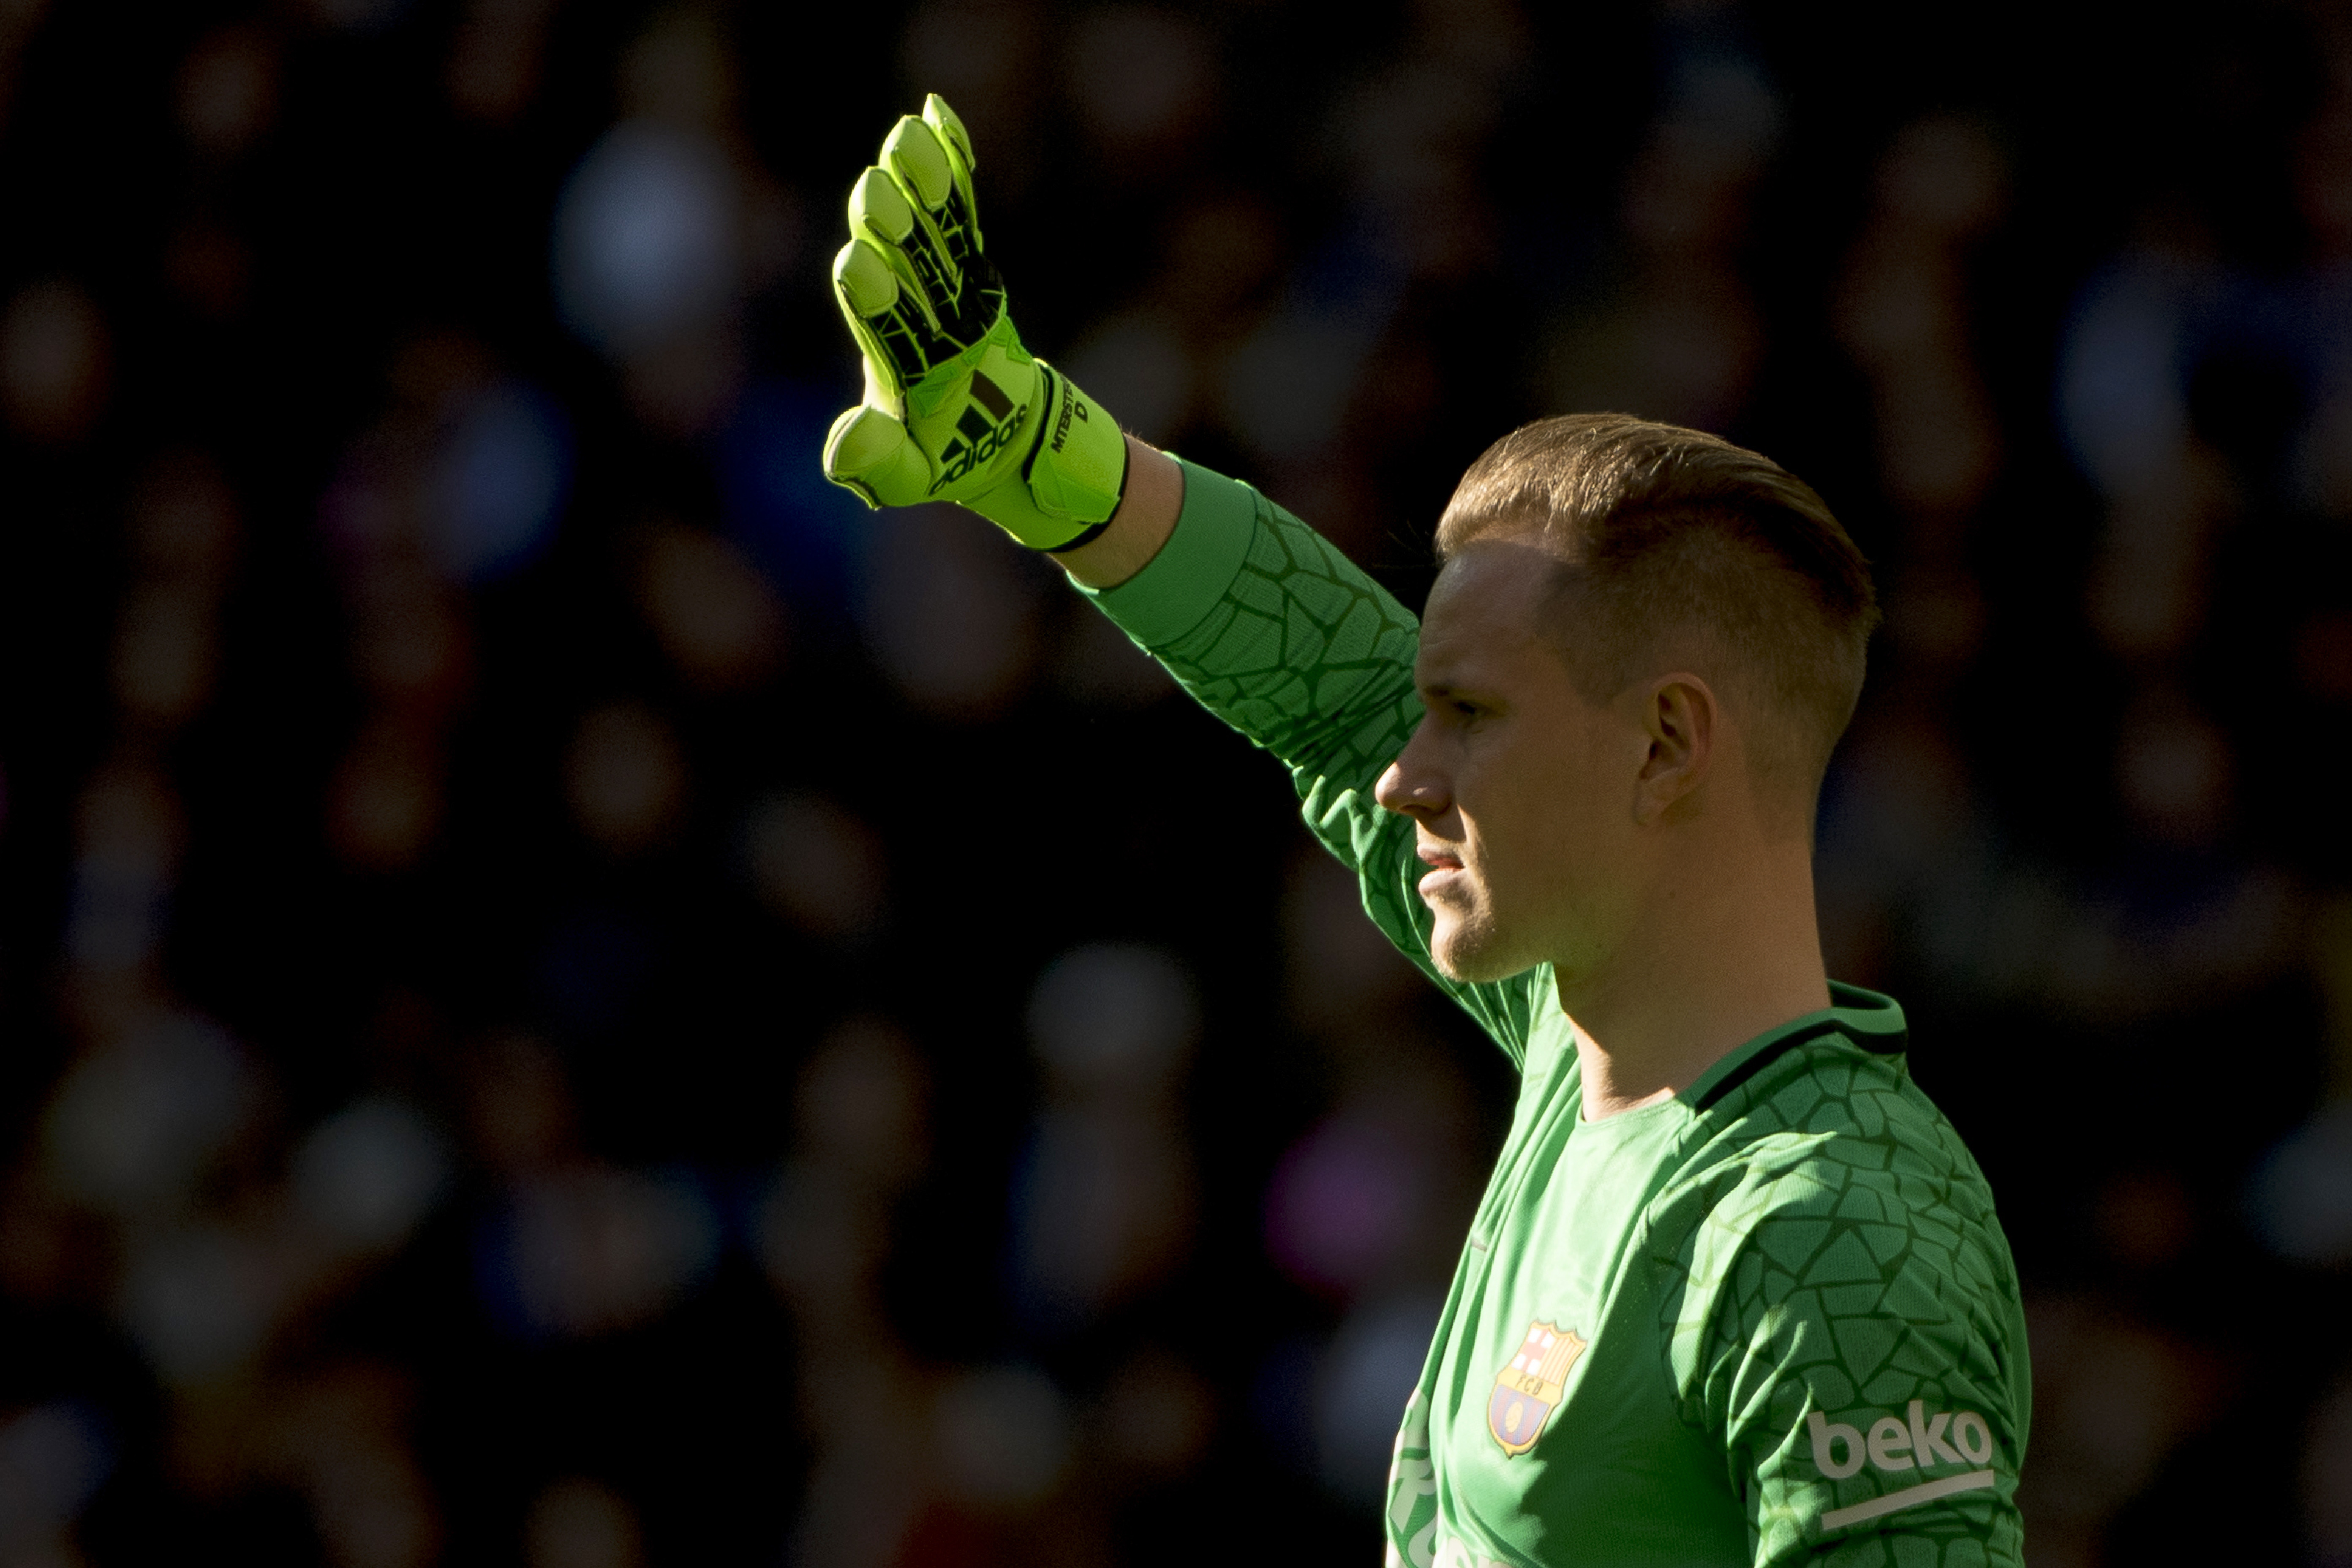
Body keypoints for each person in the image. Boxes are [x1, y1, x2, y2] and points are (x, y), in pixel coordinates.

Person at [822, 97, 2030, 1568]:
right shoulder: (1582, 1055)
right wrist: (1038, 454)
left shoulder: (1840, 1232)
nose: (1404, 778)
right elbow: (1334, 697)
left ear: (1664, 746)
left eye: (1470, 714)